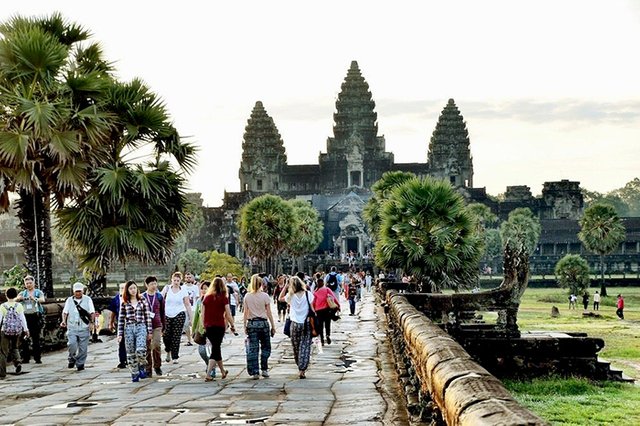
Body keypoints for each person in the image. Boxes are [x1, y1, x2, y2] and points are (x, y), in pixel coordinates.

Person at [117, 281, 153, 382]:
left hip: (141, 326)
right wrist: (119, 334)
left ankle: (142, 365)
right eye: (131, 288)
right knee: (131, 352)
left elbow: (147, 316)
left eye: (134, 288)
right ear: (127, 290)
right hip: (128, 328)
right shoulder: (124, 302)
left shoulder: (142, 300)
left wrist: (149, 331)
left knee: (141, 350)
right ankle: (134, 372)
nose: (133, 290)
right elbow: (121, 319)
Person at [201, 277, 236, 381]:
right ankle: (208, 373)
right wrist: (232, 325)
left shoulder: (206, 297)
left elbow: (202, 314)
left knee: (216, 348)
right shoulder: (223, 298)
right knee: (215, 349)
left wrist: (204, 325)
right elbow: (228, 314)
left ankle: (222, 371)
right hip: (219, 326)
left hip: (208, 326)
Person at [281, 276, 314, 379]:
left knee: (296, 347)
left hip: (294, 324)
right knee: (305, 346)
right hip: (306, 323)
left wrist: (285, 286)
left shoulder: (290, 295)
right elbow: (312, 309)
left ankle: (299, 365)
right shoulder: (308, 294)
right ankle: (302, 369)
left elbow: (279, 298)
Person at [244, 274, 276, 379]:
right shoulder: (265, 296)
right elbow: (269, 312)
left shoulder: (247, 296)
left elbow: (245, 312)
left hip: (252, 323)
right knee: (266, 347)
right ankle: (264, 369)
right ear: (261, 284)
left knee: (253, 348)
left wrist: (244, 325)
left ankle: (255, 371)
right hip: (263, 323)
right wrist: (273, 325)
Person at [61, 282, 95, 371]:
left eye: (80, 291)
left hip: (84, 326)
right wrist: (64, 321)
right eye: (76, 291)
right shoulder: (69, 300)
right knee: (72, 344)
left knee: (83, 348)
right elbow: (65, 312)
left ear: (83, 291)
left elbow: (92, 312)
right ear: (73, 291)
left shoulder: (88, 300)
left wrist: (92, 323)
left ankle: (80, 363)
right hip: (72, 326)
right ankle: (71, 358)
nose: (78, 293)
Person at [161, 272, 192, 364]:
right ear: (172, 280)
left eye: (178, 280)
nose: (176, 282)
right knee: (166, 335)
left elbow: (187, 303)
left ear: (180, 281)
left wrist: (191, 317)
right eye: (174, 280)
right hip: (167, 314)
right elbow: (160, 299)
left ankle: (175, 356)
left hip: (179, 313)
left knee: (176, 336)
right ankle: (168, 351)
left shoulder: (183, 290)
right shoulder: (167, 289)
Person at [0, 287, 29, 379]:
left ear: (6, 295)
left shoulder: (2, 306)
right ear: (16, 295)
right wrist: (26, 329)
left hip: (5, 330)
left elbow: (0, 319)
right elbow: (22, 318)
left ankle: (2, 372)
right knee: (14, 347)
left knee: (3, 352)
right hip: (16, 331)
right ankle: (18, 363)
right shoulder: (19, 306)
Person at [16, 275, 45, 364]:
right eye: (27, 283)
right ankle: (26, 357)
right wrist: (19, 298)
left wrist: (35, 299)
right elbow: (15, 299)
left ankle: (37, 357)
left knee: (35, 337)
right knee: (24, 337)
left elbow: (42, 300)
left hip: (35, 316)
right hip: (25, 316)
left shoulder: (38, 292)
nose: (28, 285)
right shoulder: (23, 293)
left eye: (30, 283)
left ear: (34, 283)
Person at [142, 276, 165, 377]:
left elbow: (162, 311)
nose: (154, 286)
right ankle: (148, 368)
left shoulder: (159, 296)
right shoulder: (142, 297)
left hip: (157, 324)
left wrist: (164, 325)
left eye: (155, 283)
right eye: (151, 284)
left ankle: (157, 365)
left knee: (156, 345)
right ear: (146, 285)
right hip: (145, 325)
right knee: (147, 347)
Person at [312, 277, 339, 346]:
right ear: (323, 283)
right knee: (327, 323)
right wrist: (338, 305)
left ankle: (322, 339)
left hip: (318, 311)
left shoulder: (315, 292)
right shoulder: (327, 289)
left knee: (320, 325)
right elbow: (334, 297)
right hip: (327, 309)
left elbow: (313, 302)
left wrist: (313, 310)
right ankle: (327, 335)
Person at [193, 281, 212, 376]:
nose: (204, 290)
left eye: (206, 288)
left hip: (212, 329)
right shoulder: (199, 301)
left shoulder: (214, 299)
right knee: (202, 350)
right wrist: (193, 329)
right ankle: (208, 364)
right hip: (201, 329)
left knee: (211, 350)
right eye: (203, 288)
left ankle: (212, 369)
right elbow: (196, 315)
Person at [108, 283, 127, 369]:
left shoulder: (132, 297)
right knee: (121, 341)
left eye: (125, 288)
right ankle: (122, 360)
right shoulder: (116, 299)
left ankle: (130, 358)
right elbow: (113, 312)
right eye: (121, 288)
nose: (123, 289)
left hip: (131, 322)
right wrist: (111, 323)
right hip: (120, 323)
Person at [182, 272, 199, 346]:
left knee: (193, 324)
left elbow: (197, 297)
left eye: (189, 277)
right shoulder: (182, 287)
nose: (188, 279)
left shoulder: (195, 287)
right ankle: (189, 340)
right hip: (184, 308)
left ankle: (196, 337)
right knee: (185, 325)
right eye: (187, 277)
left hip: (193, 307)